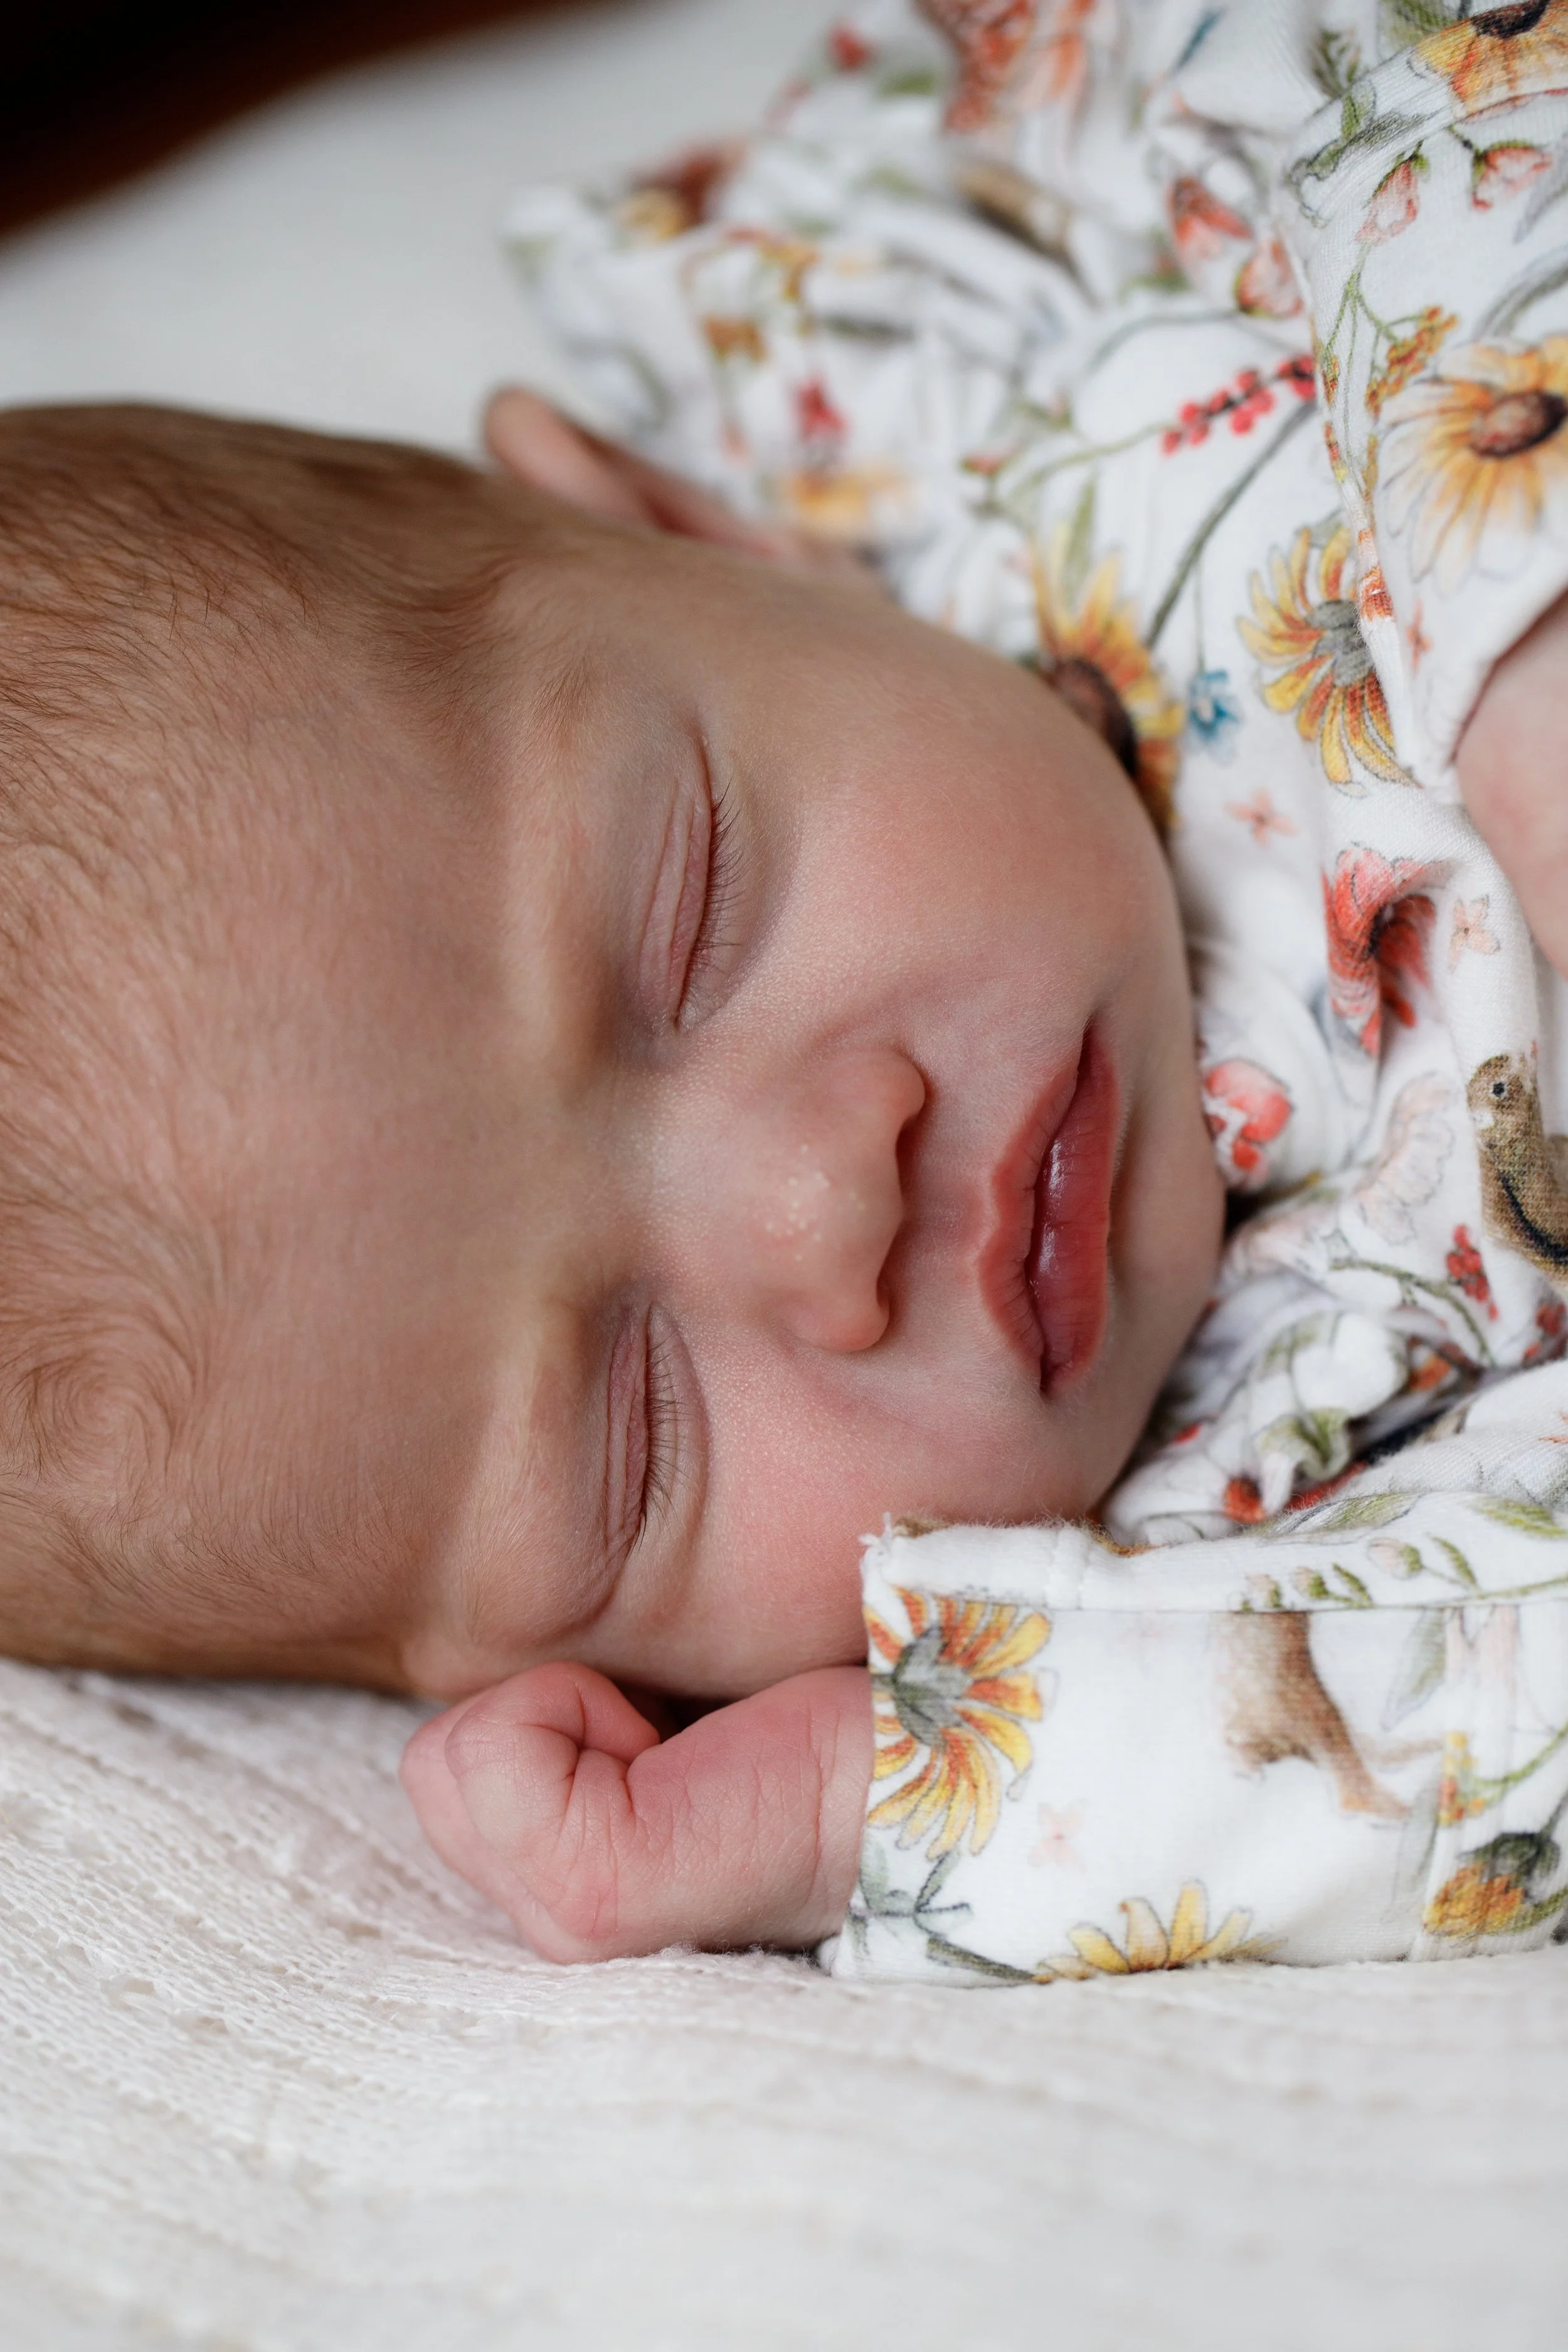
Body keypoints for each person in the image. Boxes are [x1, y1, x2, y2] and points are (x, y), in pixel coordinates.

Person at [3, 1, 1567, 1983]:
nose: (831, 1208)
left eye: (687, 914)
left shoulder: (967, 312)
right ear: (593, 1662)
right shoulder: (1179, 1563)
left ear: (664, 529)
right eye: (634, 1437)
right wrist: (890, 1804)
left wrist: (1515, 601)